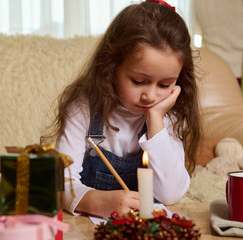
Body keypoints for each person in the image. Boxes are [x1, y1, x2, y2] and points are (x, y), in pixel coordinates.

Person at [41, 0, 202, 218]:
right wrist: (95, 201)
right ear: (111, 67)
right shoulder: (83, 109)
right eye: (138, 81)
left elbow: (171, 194)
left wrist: (155, 118)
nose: (151, 96)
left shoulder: (166, 115)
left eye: (165, 85)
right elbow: (60, 184)